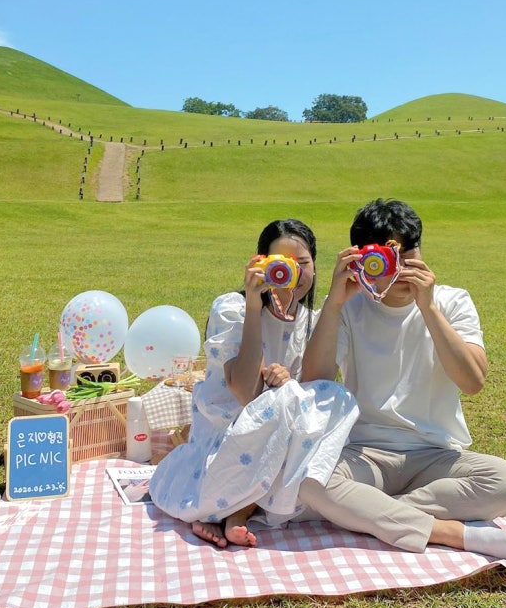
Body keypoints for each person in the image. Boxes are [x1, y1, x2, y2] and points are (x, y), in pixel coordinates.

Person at [297, 198, 506, 566]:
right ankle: (452, 533)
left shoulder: (451, 301)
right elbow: (313, 383)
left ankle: (370, 514)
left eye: (409, 252)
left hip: (435, 455)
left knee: (504, 482)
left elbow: (473, 382)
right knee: (310, 480)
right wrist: (333, 304)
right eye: (389, 257)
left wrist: (429, 308)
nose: (402, 266)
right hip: (364, 452)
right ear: (364, 258)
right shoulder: (348, 306)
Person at [150, 219, 358, 547]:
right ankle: (235, 507)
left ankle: (236, 509)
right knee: (287, 402)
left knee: (334, 398)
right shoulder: (232, 308)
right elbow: (245, 392)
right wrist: (252, 303)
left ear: (316, 268)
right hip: (226, 434)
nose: (291, 274)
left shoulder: (314, 322)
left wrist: (290, 387)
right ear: (260, 264)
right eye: (281, 264)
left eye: (302, 263)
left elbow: (318, 395)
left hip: (280, 440)